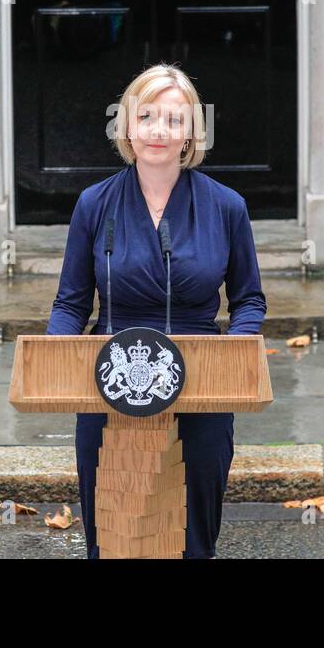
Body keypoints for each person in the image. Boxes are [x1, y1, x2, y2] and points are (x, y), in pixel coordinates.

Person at [44, 62, 267, 559]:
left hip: (201, 385)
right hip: (110, 381)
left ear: (191, 132)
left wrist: (232, 356)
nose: (159, 131)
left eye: (173, 119)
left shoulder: (226, 206)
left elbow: (249, 299)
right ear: (126, 125)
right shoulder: (93, 204)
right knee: (115, 537)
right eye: (147, 116)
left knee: (190, 536)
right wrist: (54, 355)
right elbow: (72, 302)